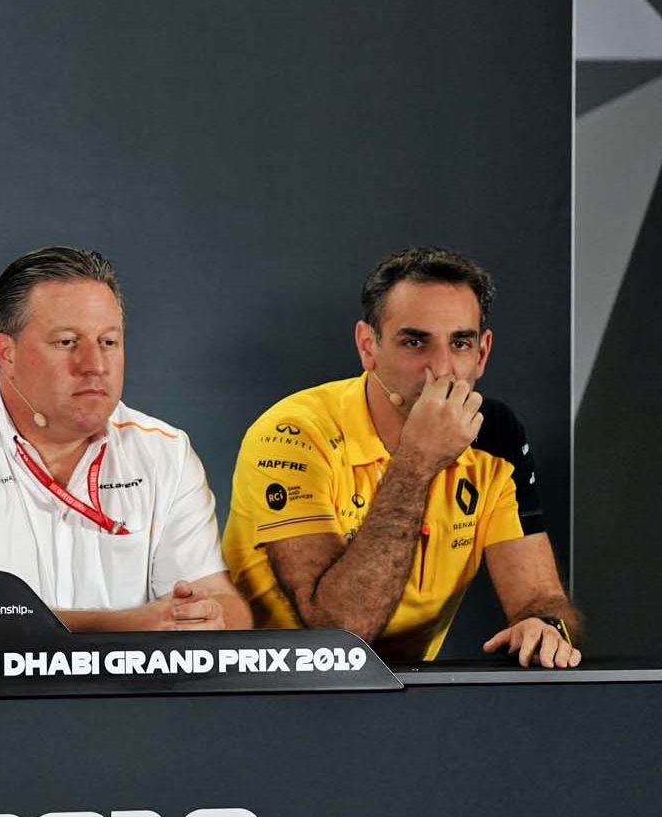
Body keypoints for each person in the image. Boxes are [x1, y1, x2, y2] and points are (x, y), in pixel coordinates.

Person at [222, 247, 581, 666]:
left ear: (482, 353)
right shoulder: (293, 433)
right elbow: (338, 635)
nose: (442, 370)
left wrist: (544, 626)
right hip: (270, 691)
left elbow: (540, 596)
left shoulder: (494, 434)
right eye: (415, 342)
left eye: (460, 343)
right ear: (367, 346)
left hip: (409, 697)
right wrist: (416, 462)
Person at [0, 247, 249, 631]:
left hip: (135, 693)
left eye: (109, 342)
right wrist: (124, 628)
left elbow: (220, 599)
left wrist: (206, 616)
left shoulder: (165, 451)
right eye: (67, 342)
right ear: (6, 352)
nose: (94, 366)